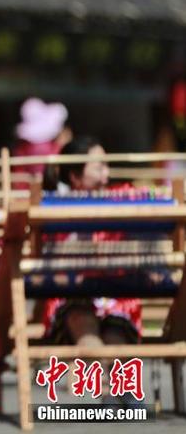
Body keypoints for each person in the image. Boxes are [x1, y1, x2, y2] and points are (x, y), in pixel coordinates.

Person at [41, 136, 142, 349]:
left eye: (107, 166)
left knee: (116, 341)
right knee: (84, 330)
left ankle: (107, 379)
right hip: (72, 300)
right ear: (75, 176)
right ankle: (98, 381)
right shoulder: (55, 210)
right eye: (99, 167)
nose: (107, 174)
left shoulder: (122, 198)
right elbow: (55, 274)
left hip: (118, 300)